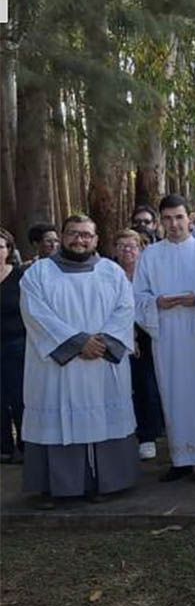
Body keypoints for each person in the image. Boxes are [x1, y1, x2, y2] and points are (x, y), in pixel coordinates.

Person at [20, 215, 139, 509]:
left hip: (102, 363)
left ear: (96, 240)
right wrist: (77, 343)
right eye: (73, 234)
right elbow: (36, 315)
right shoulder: (38, 274)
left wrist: (102, 343)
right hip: (56, 368)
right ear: (62, 236)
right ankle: (53, 486)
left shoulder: (112, 273)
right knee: (55, 420)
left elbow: (125, 311)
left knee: (103, 418)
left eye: (86, 235)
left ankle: (106, 482)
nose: (80, 240)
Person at [134, 194, 195, 482]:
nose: (174, 224)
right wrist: (156, 303)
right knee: (172, 393)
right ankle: (181, 458)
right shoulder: (150, 255)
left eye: (179, 217)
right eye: (168, 219)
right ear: (160, 221)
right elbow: (137, 297)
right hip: (168, 335)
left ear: (190, 218)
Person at [114, 230, 164, 460]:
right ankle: (135, 434)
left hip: (150, 334)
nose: (128, 250)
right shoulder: (109, 274)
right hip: (120, 337)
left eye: (132, 246)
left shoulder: (149, 273)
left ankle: (151, 432)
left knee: (150, 387)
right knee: (129, 388)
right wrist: (128, 334)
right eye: (122, 246)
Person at [1, 228, 26, 464]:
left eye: (0, 246)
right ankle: (3, 446)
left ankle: (25, 445)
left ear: (8, 250)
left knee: (19, 396)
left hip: (17, 345)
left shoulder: (20, 277)